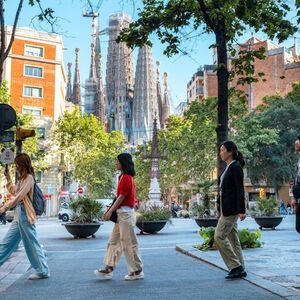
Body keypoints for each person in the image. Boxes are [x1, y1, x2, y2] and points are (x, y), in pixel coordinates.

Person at [94, 153, 143, 281]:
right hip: (122, 215)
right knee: (114, 242)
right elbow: (119, 197)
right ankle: (109, 268)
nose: (116, 163)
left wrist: (110, 211)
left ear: (123, 163)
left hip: (126, 215)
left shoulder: (126, 177)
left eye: (117, 161)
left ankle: (137, 271)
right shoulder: (122, 176)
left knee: (129, 243)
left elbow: (121, 197)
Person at [0, 153, 49, 280]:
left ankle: (43, 271)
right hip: (18, 214)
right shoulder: (22, 179)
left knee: (31, 243)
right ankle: (42, 270)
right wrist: (8, 178)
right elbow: (15, 192)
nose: (16, 166)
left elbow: (19, 196)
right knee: (6, 243)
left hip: (25, 214)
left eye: (17, 164)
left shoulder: (29, 178)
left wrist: (4, 208)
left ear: (22, 164)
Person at [214, 141, 247, 280]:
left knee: (219, 236)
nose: (220, 153)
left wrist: (242, 210)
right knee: (233, 239)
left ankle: (235, 266)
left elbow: (240, 189)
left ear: (230, 152)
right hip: (226, 208)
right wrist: (219, 208)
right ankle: (241, 267)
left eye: (222, 150)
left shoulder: (235, 168)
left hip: (232, 209)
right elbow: (223, 191)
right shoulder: (227, 167)